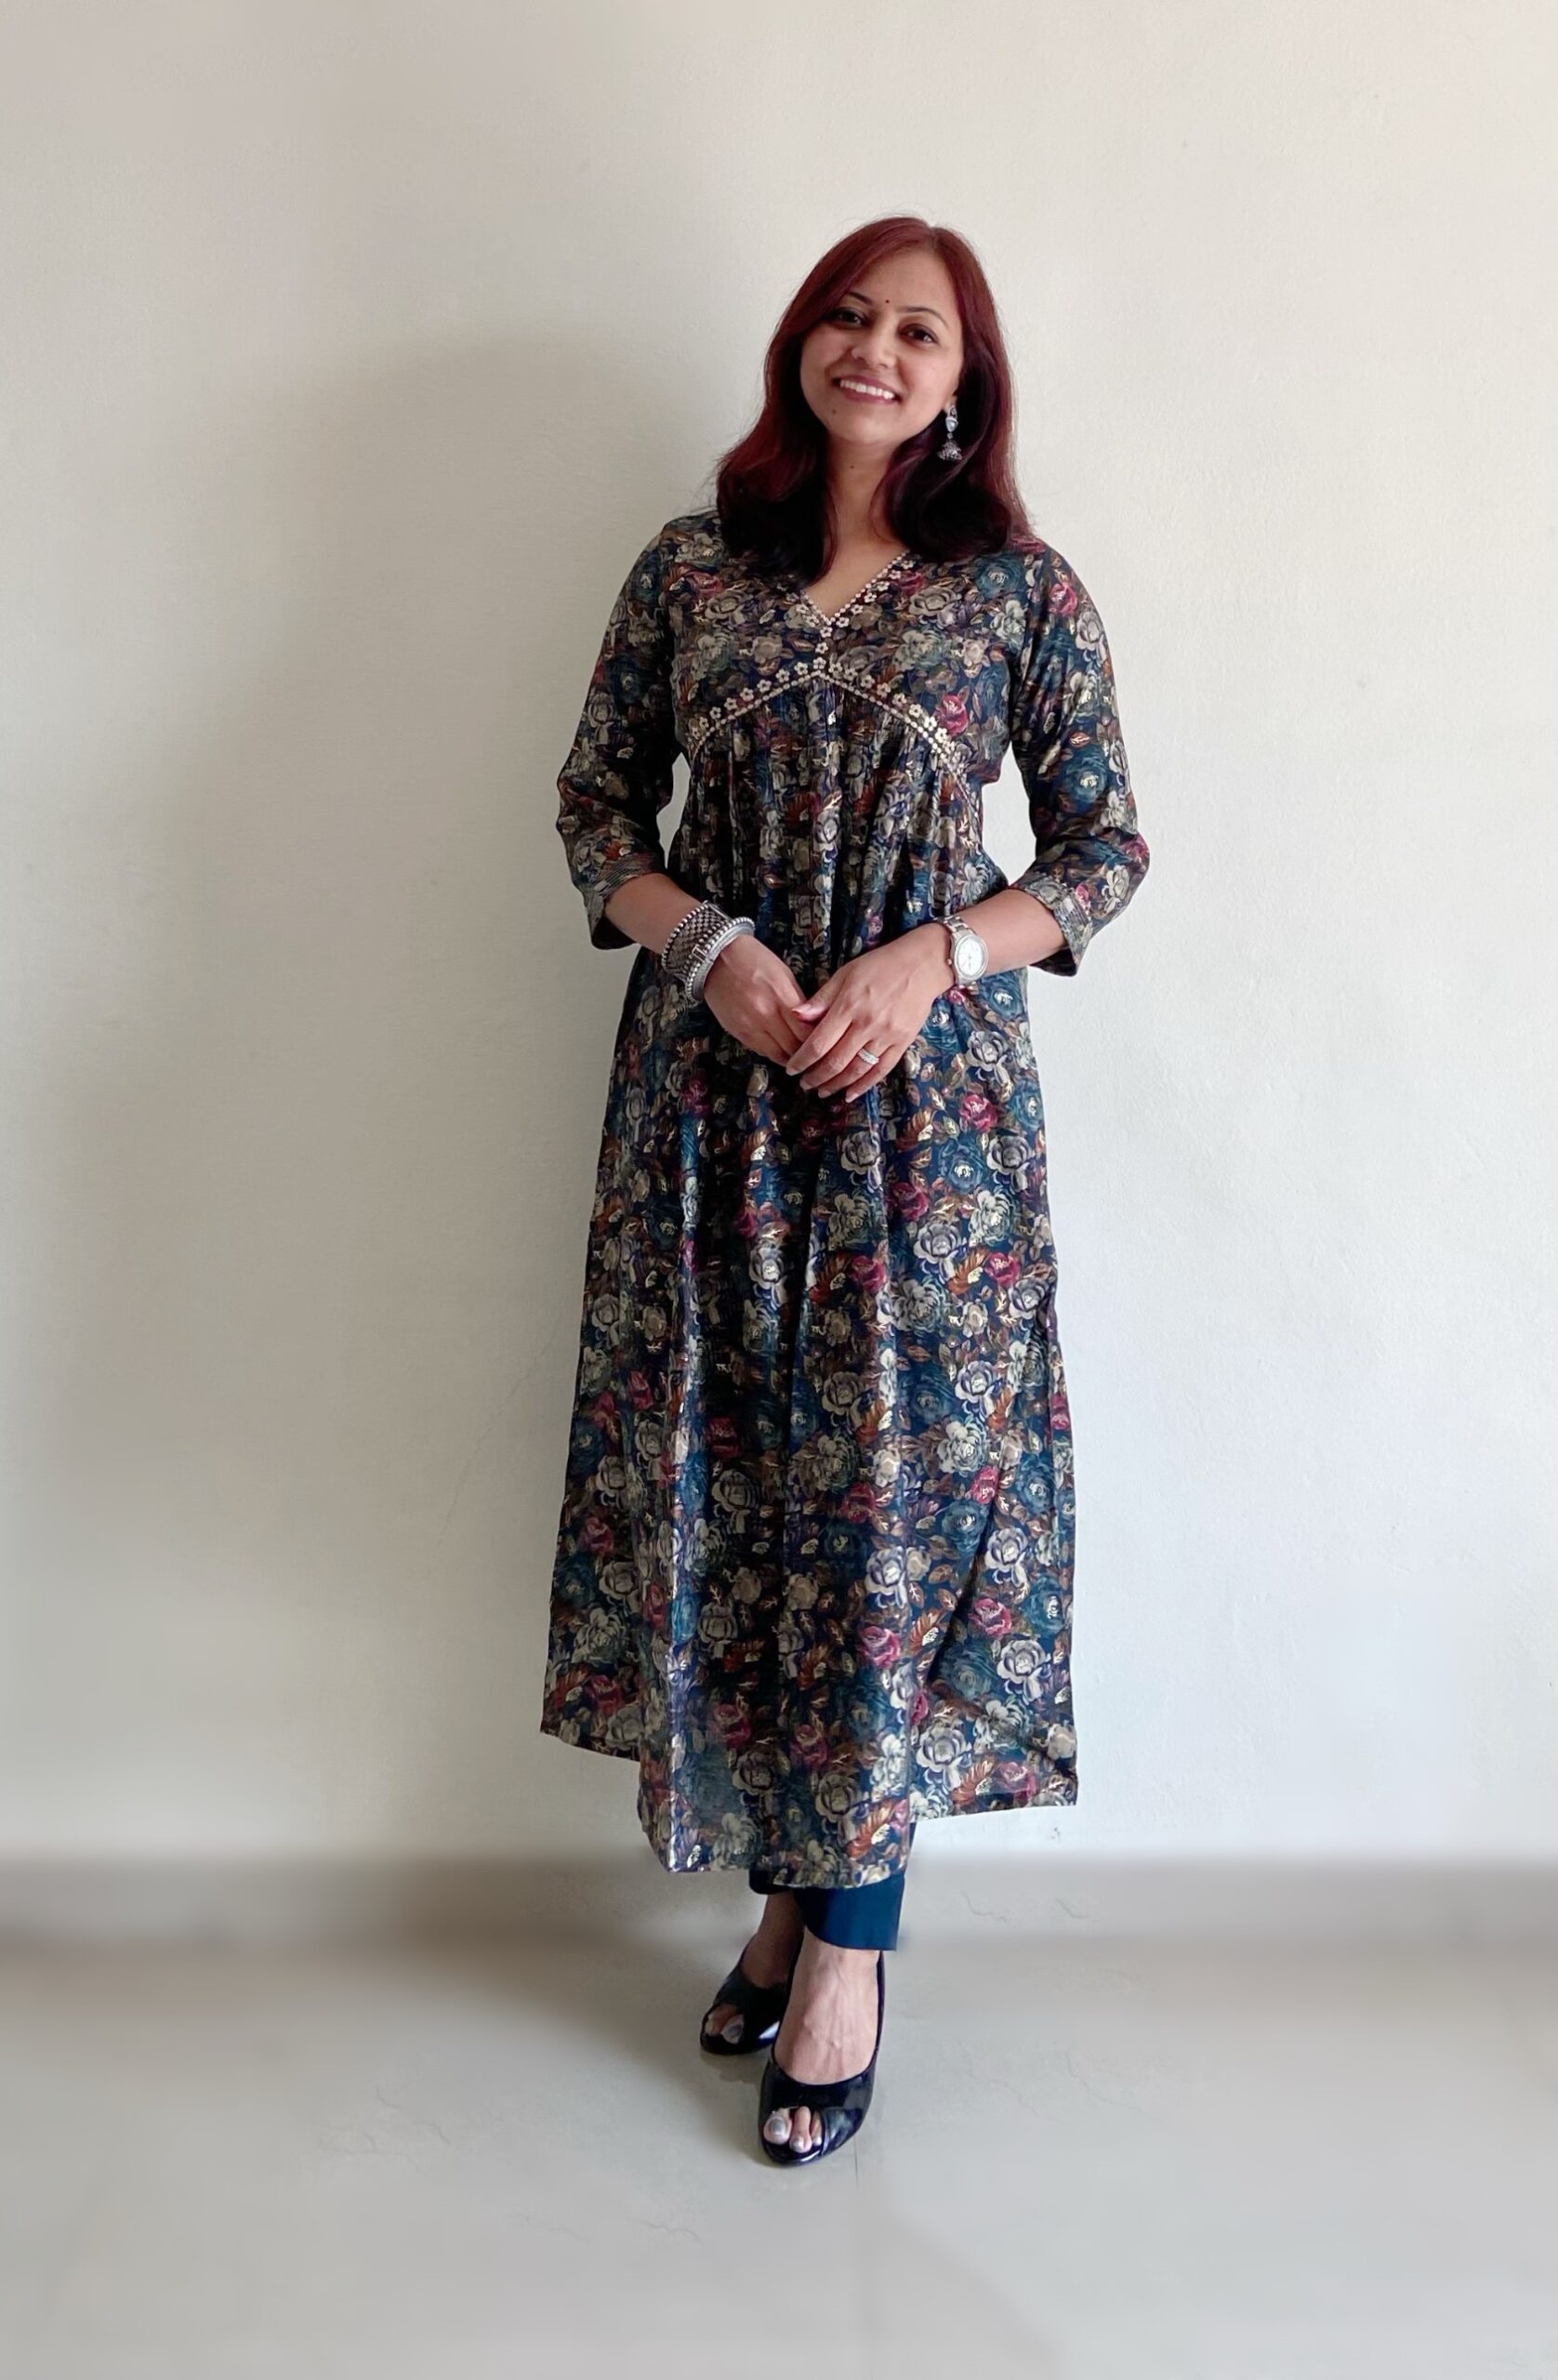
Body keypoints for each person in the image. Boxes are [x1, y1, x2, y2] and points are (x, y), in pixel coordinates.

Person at [539, 214, 1151, 2165]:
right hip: (711, 1108)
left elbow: (1105, 847)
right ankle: (793, 1898)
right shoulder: (690, 567)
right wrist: (707, 941)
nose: (874, 349)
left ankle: (846, 1954)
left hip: (923, 1129)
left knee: (890, 1511)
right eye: (847, 315)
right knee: (749, 1494)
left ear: (965, 379)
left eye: (919, 331)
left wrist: (933, 958)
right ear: (801, 339)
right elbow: (592, 809)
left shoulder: (1016, 587)